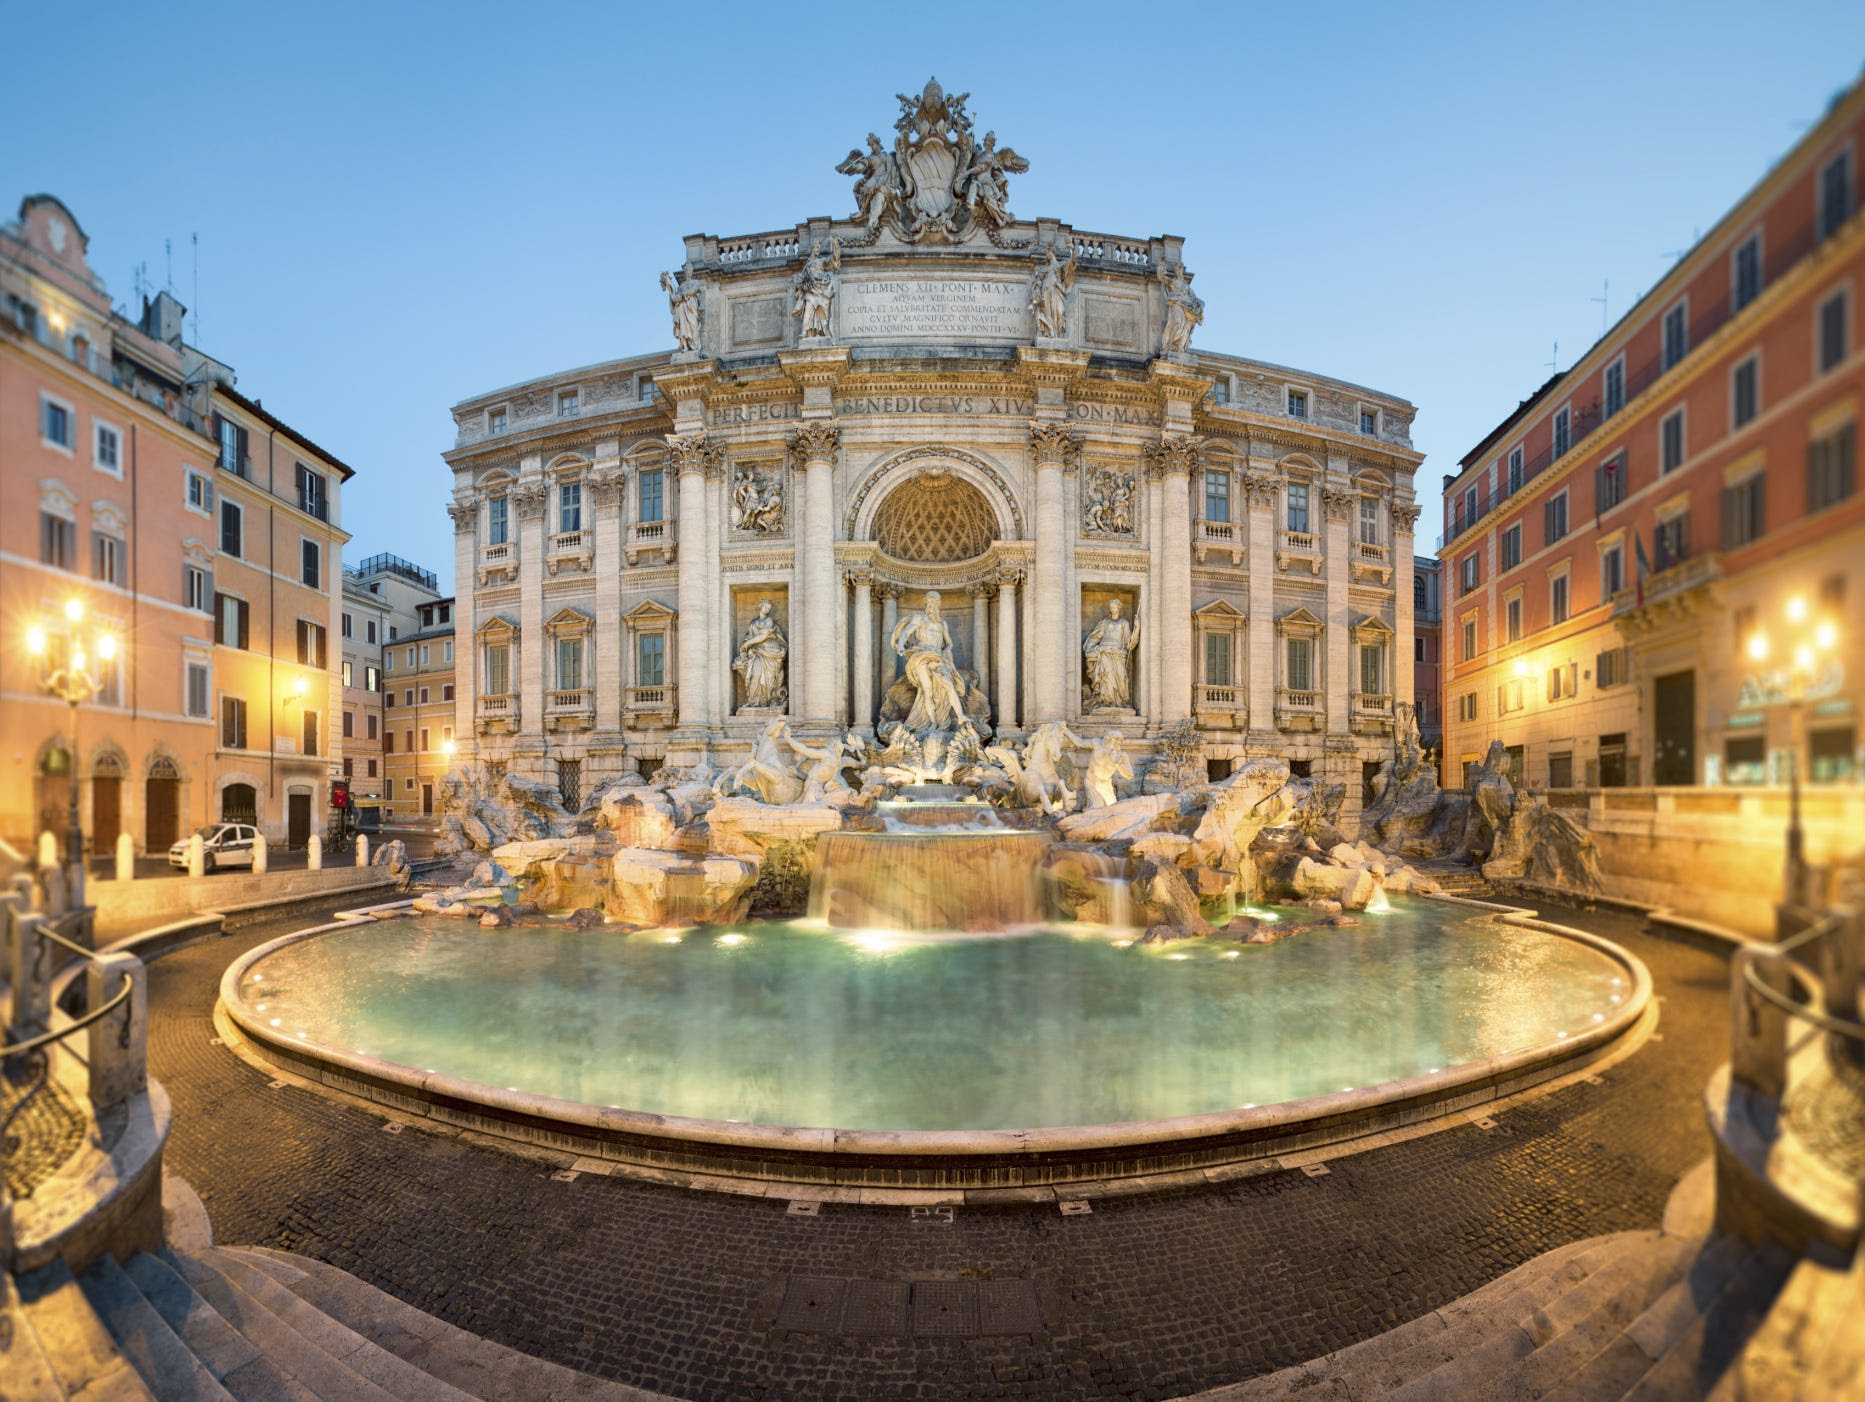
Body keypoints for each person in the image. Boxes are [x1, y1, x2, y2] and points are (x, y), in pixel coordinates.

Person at [1082, 599, 1140, 709]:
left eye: (1114, 607)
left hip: (1118, 654)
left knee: (1121, 677)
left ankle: (1118, 702)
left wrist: (1137, 628)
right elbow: (1096, 636)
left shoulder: (1124, 623)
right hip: (1104, 653)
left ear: (1119, 607)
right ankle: (1106, 701)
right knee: (1106, 677)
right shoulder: (1105, 623)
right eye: (1110, 607)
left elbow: (1129, 643)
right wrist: (1090, 648)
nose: (1112, 609)